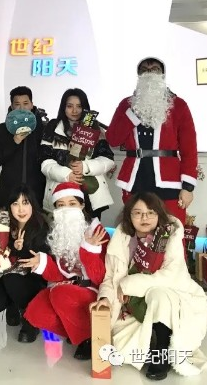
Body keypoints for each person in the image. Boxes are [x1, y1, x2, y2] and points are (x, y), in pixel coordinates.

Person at [91, 192, 207, 380]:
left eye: (151, 212)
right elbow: (111, 278)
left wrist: (128, 284)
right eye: (138, 213)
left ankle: (162, 352)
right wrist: (105, 297)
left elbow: (172, 276)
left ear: (159, 214)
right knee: (124, 350)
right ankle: (151, 345)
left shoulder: (170, 235)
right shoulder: (122, 239)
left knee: (159, 293)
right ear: (129, 216)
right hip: (134, 305)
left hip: (175, 300)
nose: (144, 218)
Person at [22, 181, 108, 360]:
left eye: (72, 204)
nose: (66, 210)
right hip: (67, 288)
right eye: (60, 205)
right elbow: (59, 275)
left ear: (82, 205)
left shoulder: (97, 232)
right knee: (35, 312)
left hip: (95, 292)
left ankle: (88, 338)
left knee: (60, 294)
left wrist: (90, 251)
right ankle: (75, 330)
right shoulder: (59, 233)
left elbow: (101, 277)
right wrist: (42, 263)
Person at [106, 58, 197, 224]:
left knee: (171, 231)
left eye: (154, 69)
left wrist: (188, 187)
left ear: (162, 75)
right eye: (144, 70)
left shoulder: (178, 105)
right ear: (138, 75)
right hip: (135, 179)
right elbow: (113, 139)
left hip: (169, 181)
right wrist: (133, 114)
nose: (149, 73)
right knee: (135, 230)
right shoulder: (126, 105)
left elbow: (189, 149)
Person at [0, 185, 49, 343]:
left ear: (32, 204)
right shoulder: (1, 225)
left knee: (13, 278)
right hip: (5, 278)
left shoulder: (40, 227)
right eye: (15, 203)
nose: (21, 209)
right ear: (9, 207)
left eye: (25, 202)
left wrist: (21, 249)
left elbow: (42, 262)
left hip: (32, 282)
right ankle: (13, 304)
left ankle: (31, 320)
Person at [40, 88, 115, 218]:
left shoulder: (95, 129)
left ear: (85, 108)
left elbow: (108, 159)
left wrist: (85, 167)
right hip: (60, 193)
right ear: (63, 108)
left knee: (91, 228)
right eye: (70, 106)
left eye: (79, 106)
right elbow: (44, 160)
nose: (74, 111)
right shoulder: (53, 127)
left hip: (90, 195)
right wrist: (66, 175)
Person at [0, 86, 46, 208]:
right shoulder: (1, 129)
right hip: (9, 192)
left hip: (37, 192)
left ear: (32, 105)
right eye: (17, 104)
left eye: (25, 103)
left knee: (37, 220)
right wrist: (14, 142)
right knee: (6, 220)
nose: (21, 108)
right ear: (12, 106)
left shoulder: (43, 129)